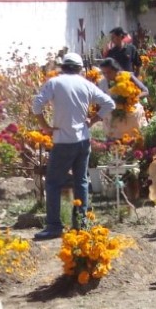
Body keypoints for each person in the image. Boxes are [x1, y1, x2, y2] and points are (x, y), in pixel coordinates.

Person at [31, 52, 115, 240]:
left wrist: (45, 127)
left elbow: (36, 105)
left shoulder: (55, 83)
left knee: (53, 183)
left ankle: (54, 226)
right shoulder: (86, 84)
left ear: (63, 67)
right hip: (82, 140)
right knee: (81, 181)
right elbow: (109, 103)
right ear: (79, 69)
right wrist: (93, 120)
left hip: (62, 140)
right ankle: (80, 223)